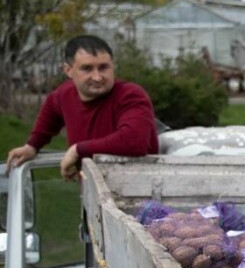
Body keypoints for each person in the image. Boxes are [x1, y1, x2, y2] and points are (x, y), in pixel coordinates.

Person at [6, 35, 159, 181]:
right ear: (68, 70)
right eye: (87, 68)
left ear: (113, 66)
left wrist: (77, 150)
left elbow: (134, 141)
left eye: (103, 67)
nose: (97, 77)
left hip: (138, 194)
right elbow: (50, 113)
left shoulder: (130, 95)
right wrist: (32, 146)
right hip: (92, 193)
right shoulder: (65, 94)